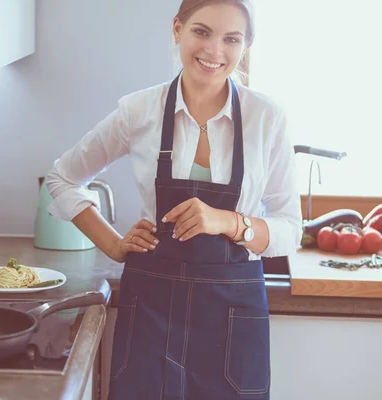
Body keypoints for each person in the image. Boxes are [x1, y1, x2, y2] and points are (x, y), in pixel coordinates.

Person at [45, 0, 302, 398]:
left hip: (233, 317)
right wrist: (113, 244)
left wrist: (228, 222)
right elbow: (62, 177)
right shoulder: (139, 111)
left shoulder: (267, 118)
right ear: (177, 30)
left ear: (245, 45)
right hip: (151, 308)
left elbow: (289, 231)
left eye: (231, 39)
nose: (214, 51)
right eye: (202, 31)